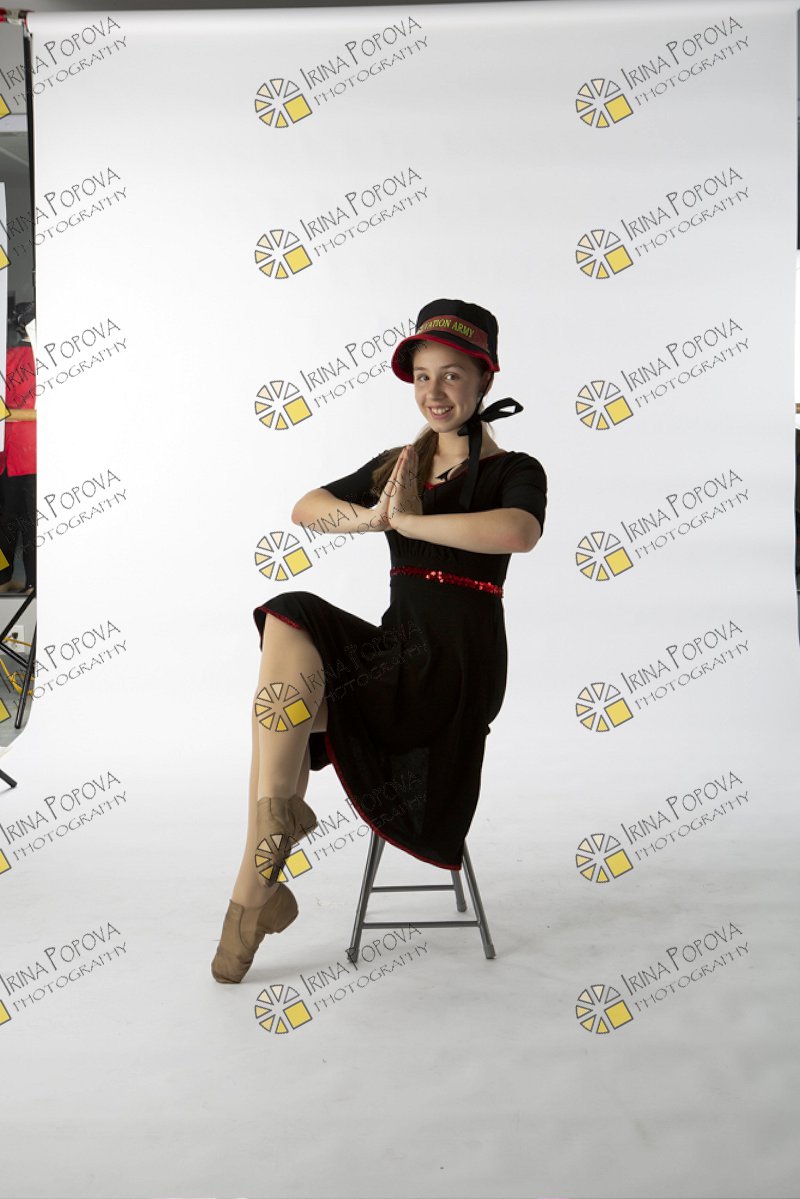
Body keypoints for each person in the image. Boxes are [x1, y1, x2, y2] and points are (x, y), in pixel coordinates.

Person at [211, 298, 548, 983]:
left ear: (484, 380)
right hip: (394, 660)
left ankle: (255, 886)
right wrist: (370, 518)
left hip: (454, 674)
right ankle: (264, 863)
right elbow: (306, 507)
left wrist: (410, 524)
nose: (434, 391)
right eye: (422, 376)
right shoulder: (400, 465)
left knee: (280, 707)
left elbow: (518, 532)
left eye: (451, 375)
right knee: (290, 619)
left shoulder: (516, 469)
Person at [0, 301, 37, 595]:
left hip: (11, 457)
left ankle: (4, 579)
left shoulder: (8, 359)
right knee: (33, 526)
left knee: (6, 523)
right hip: (38, 457)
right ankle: (33, 583)